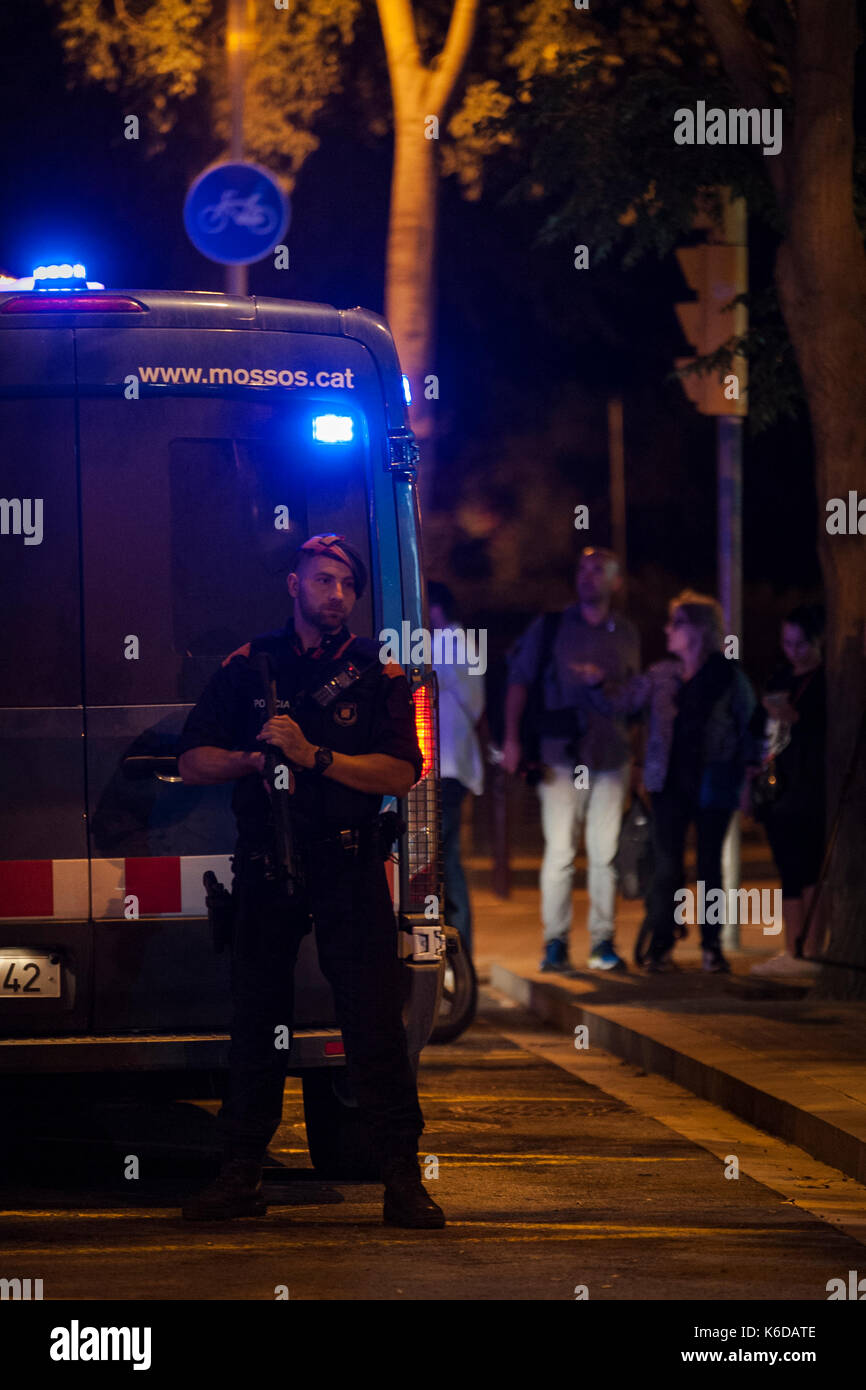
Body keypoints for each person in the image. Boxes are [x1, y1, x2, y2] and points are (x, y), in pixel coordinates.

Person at [177, 534, 445, 1229]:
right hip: (268, 863)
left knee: (374, 1026)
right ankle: (240, 1176)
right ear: (294, 585)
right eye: (323, 581)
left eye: (346, 585)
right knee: (256, 1024)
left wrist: (312, 755)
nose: (336, 596)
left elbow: (399, 772)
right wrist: (252, 759)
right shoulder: (249, 665)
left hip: (349, 862)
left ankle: (402, 1181)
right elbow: (192, 760)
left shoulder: (376, 674)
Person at [576, 590, 759, 973]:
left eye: (675, 622)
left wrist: (748, 781)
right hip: (669, 784)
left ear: (697, 630)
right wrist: (596, 686)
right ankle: (662, 943)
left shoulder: (728, 676)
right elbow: (620, 703)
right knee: (666, 866)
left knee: (711, 866)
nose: (667, 630)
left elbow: (751, 730)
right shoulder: (662, 675)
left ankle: (712, 947)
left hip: (714, 783)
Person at [504, 547, 640, 974]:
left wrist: (609, 686)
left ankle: (603, 942)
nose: (587, 576)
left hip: (611, 754)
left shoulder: (627, 631)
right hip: (561, 755)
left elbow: (635, 695)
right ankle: (556, 943)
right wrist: (511, 739)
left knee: (605, 853)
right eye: (582, 568)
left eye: (598, 569)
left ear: (616, 582)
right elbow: (519, 682)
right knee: (560, 851)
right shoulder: (552, 627)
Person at [749, 604, 826, 979]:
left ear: (816, 640)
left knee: (810, 867)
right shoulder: (780, 676)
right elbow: (755, 726)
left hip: (809, 788)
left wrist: (798, 719)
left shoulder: (826, 680)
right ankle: (792, 947)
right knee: (787, 869)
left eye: (800, 644)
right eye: (787, 643)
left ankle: (812, 950)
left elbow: (826, 731)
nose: (793, 651)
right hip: (776, 786)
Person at [427, 582, 485, 956]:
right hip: (452, 766)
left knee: (442, 859)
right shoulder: (458, 642)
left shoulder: (450, 641)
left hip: (446, 767)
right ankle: (458, 950)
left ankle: (457, 948)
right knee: (445, 857)